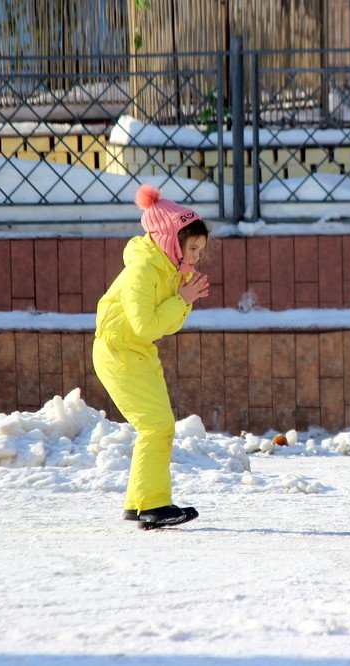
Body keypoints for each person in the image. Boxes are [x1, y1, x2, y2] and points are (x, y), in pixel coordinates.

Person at [93, 184, 211, 530]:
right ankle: (154, 506)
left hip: (137, 352)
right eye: (192, 248)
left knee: (158, 425)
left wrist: (183, 297)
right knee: (156, 426)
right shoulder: (142, 272)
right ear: (171, 241)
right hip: (118, 352)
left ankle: (137, 503)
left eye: (201, 250)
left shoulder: (168, 271)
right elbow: (146, 325)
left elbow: (163, 327)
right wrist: (182, 299)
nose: (197, 257)